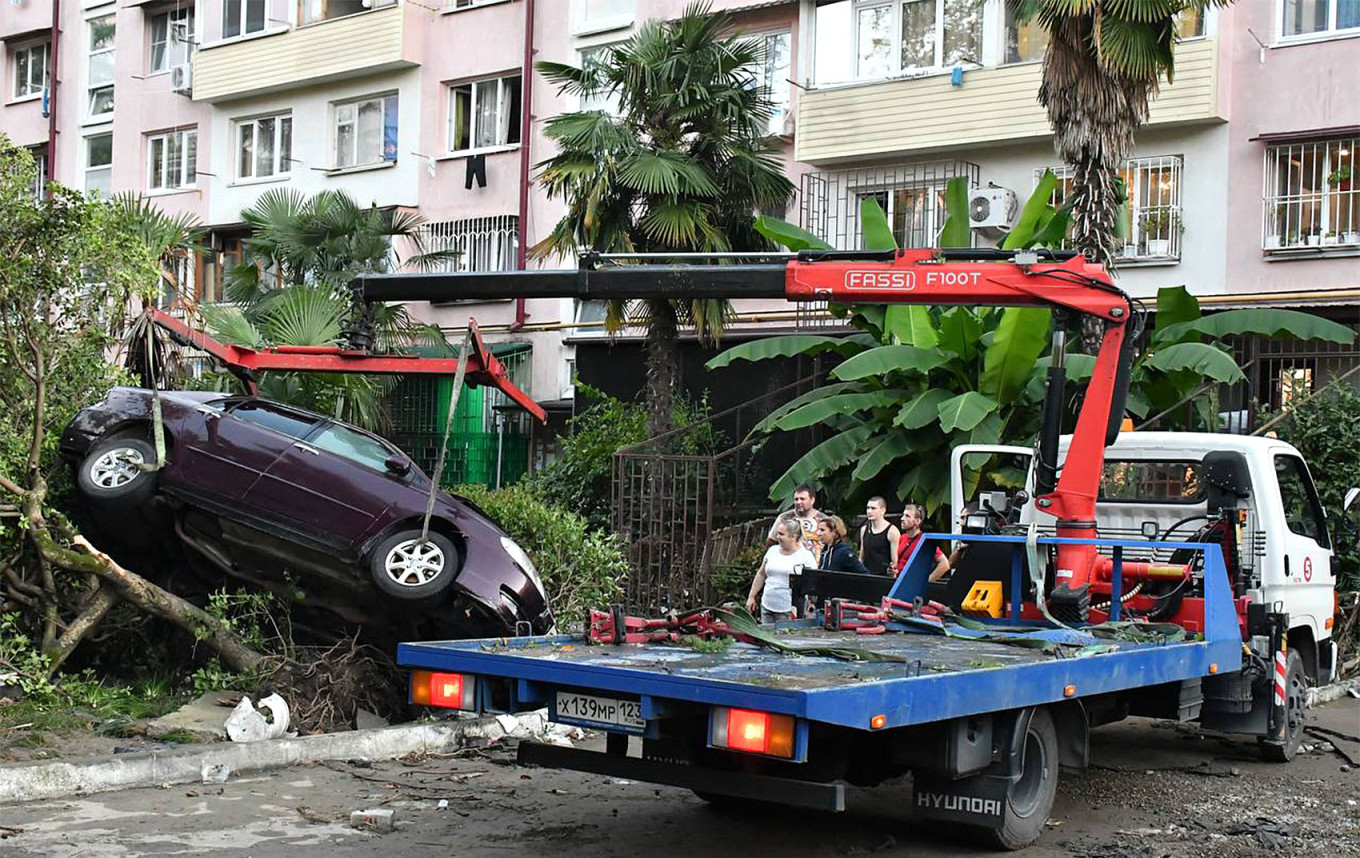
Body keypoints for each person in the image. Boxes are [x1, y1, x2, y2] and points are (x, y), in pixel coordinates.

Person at [747, 520, 817, 624]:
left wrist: (811, 604)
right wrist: (751, 596)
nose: (777, 537)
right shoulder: (772, 551)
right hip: (767, 605)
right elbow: (761, 574)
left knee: (786, 638)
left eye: (781, 534)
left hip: (789, 609)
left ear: (793, 537)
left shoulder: (806, 556)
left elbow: (813, 582)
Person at [894, 503, 949, 581]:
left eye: (907, 516)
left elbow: (945, 564)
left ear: (917, 521)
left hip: (912, 584)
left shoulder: (924, 540)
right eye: (903, 515)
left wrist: (927, 582)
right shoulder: (902, 537)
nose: (902, 518)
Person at [768, 484, 822, 559]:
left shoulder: (823, 519)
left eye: (802, 499)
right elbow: (771, 541)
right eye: (796, 499)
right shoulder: (784, 518)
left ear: (812, 500)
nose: (798, 502)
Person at [858, 496, 899, 576]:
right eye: (868, 508)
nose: (869, 511)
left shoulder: (892, 531)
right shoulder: (864, 529)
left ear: (883, 510)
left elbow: (894, 561)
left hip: (882, 577)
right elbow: (861, 557)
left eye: (873, 508)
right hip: (866, 575)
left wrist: (892, 572)